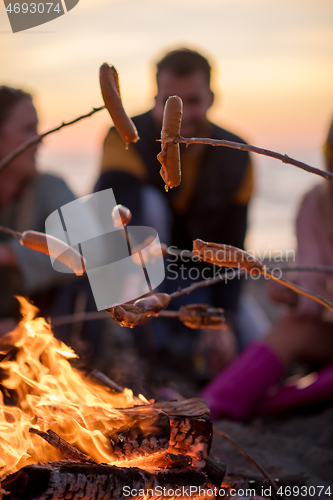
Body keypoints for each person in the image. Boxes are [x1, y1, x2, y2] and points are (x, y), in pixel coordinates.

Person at [95, 48, 254, 380]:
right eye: (170, 101)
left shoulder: (238, 155)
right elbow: (114, 208)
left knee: (252, 346)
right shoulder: (124, 136)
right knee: (147, 200)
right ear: (155, 98)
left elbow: (234, 248)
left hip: (200, 276)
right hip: (140, 269)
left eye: (192, 101)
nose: (181, 115)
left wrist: (223, 318)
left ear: (212, 98)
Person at [201, 116, 333, 420]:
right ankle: (210, 404)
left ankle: (262, 404)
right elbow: (312, 302)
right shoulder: (317, 203)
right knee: (291, 327)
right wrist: (293, 292)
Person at [0, 86, 79, 336]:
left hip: (41, 333)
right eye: (28, 130)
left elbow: (89, 246)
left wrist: (8, 254)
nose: (40, 140)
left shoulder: (49, 187)